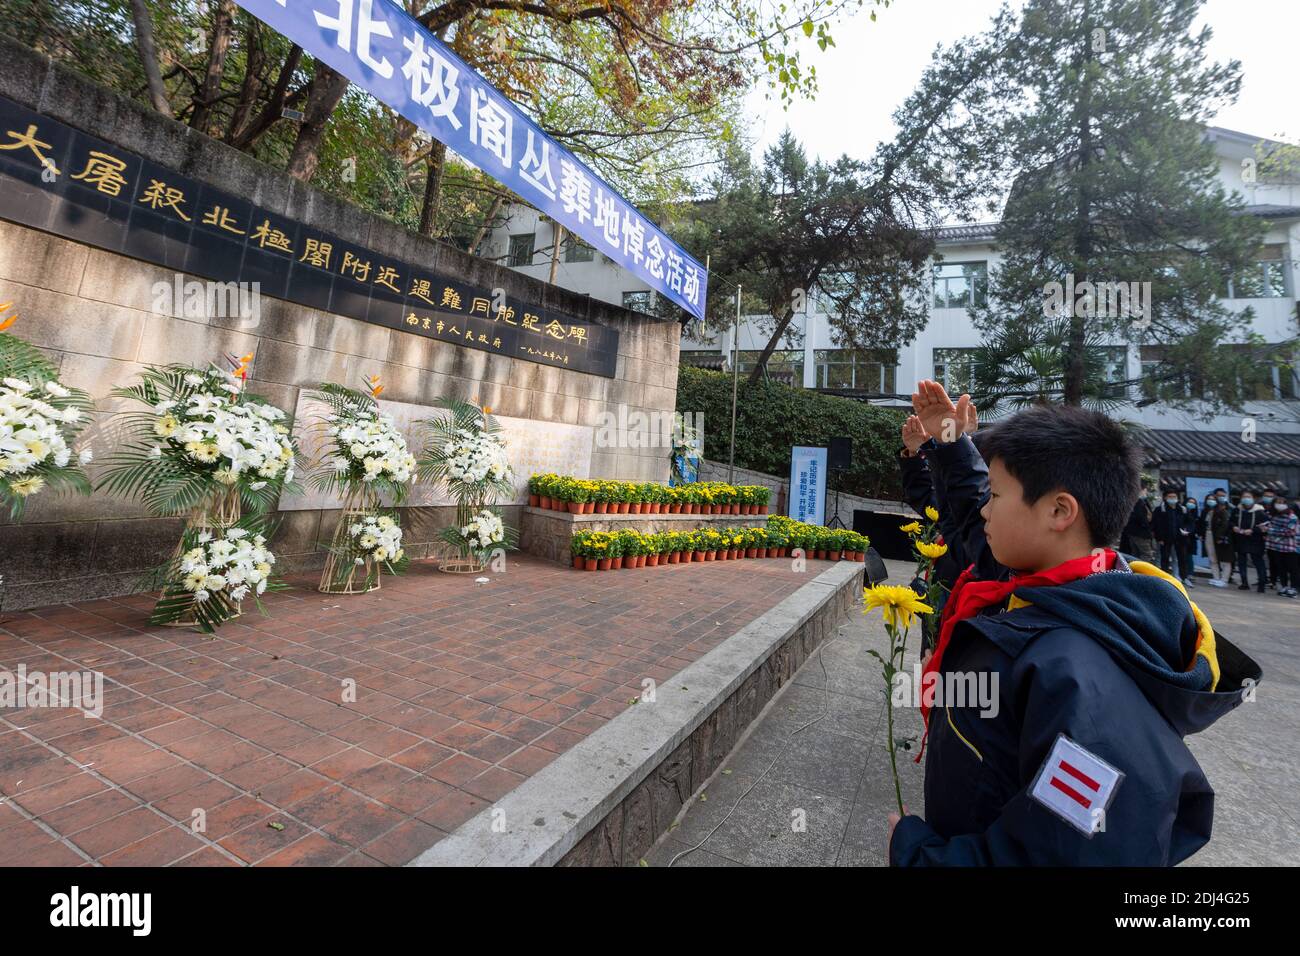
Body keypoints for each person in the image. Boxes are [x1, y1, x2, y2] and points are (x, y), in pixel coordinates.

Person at [887, 403, 1261, 866]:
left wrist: (915, 854)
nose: (985, 507)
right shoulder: (1049, 581)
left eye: (997, 495)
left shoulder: (1079, 675)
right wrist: (949, 443)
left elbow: (1070, 854)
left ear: (1059, 511)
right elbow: (969, 514)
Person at [1232, 493, 1269, 593]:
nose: (1246, 499)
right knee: (1241, 561)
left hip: (1256, 540)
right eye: (1244, 497)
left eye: (1249, 497)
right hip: (1240, 539)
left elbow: (1266, 526)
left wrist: (1253, 530)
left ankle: (1262, 584)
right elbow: (1231, 521)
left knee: (1258, 561)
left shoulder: (1260, 512)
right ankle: (1244, 583)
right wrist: (1234, 527)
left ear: (1253, 499)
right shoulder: (1237, 510)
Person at [1264, 495, 1298, 598]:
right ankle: (1284, 586)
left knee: (1293, 569)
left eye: (1283, 503)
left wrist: (1270, 530)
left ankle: (1293, 588)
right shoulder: (1272, 515)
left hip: (1289, 547)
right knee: (1280, 568)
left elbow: (1290, 532)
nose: (1280, 505)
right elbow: (1269, 526)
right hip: (1275, 546)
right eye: (1278, 502)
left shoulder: (1292, 517)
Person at [1151, 489, 1183, 575]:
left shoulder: (1180, 509)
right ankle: (1159, 574)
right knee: (1161, 557)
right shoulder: (1160, 509)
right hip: (1163, 539)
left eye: (1174, 497)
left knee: (1175, 557)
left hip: (1177, 538)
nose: (1172, 498)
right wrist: (1159, 538)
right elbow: (1156, 524)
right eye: (1170, 497)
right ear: (1165, 498)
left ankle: (1176, 575)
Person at [1120, 488, 1156, 562]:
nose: (1146, 492)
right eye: (1145, 490)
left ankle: (1135, 570)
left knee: (1135, 554)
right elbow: (1141, 517)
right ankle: (1140, 571)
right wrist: (1147, 526)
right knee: (1146, 554)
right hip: (1140, 533)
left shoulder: (1133, 502)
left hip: (1133, 532)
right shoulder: (1139, 502)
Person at [1209, 492, 1235, 587]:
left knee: (1226, 559)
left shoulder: (1229, 509)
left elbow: (1226, 525)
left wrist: (1220, 536)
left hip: (1225, 538)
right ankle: (1217, 578)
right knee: (1215, 558)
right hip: (1215, 536)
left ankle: (1224, 579)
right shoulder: (1213, 510)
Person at [1176, 496, 1201, 587]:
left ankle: (1189, 574)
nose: (1191, 504)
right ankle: (1181, 575)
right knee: (1181, 557)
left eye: (1193, 502)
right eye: (1190, 502)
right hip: (1181, 537)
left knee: (1189, 557)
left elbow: (1195, 525)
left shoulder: (1195, 514)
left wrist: (1190, 531)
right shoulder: (1182, 511)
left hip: (1191, 538)